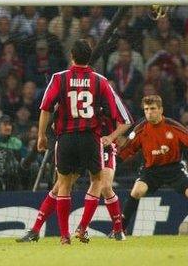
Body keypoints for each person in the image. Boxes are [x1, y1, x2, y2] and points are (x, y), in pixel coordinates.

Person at [38, 39, 132, 244]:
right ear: (90, 58)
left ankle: (65, 236)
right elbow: (125, 120)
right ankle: (81, 228)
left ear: (71, 55)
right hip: (91, 139)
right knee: (97, 181)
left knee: (63, 185)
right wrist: (112, 136)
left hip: (66, 138)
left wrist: (41, 135)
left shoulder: (59, 78)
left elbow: (46, 108)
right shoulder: (100, 81)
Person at [118, 95, 188, 237]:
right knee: (137, 191)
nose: (149, 112)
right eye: (146, 109)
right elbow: (127, 150)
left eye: (152, 109)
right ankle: (120, 230)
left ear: (161, 110)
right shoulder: (141, 129)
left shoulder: (173, 126)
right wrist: (112, 164)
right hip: (151, 171)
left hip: (174, 169)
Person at [16, 110, 131, 243]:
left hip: (102, 145)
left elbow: (126, 121)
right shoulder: (72, 95)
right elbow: (54, 123)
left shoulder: (108, 95)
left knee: (104, 186)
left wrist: (111, 137)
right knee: (59, 187)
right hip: (77, 144)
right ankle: (35, 230)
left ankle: (114, 229)